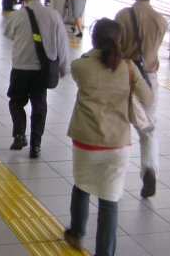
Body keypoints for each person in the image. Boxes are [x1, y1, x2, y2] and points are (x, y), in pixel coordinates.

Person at [64, 18, 153, 256]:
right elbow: (148, 99)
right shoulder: (129, 68)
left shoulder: (80, 66)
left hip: (86, 142)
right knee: (109, 199)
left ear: (94, 40)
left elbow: (83, 67)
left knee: (82, 185)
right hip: (118, 144)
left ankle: (76, 234)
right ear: (119, 41)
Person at [4, 0, 70, 159]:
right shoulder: (53, 15)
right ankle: (36, 146)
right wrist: (63, 66)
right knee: (39, 106)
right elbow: (62, 44)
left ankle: (19, 134)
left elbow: (8, 34)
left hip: (20, 67)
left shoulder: (18, 15)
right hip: (43, 69)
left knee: (16, 102)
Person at [114, 0, 167, 198]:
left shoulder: (123, 15)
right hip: (149, 79)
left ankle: (113, 173)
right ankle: (149, 170)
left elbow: (115, 47)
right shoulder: (160, 20)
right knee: (148, 130)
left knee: (118, 124)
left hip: (124, 74)